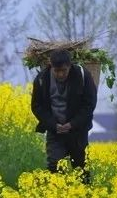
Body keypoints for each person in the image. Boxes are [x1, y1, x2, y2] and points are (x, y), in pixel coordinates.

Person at [30, 49, 97, 183]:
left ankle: (83, 197)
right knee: (54, 166)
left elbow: (89, 104)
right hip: (55, 131)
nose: (60, 74)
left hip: (78, 131)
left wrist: (72, 124)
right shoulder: (42, 79)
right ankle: (57, 197)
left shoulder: (82, 76)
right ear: (51, 66)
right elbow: (37, 106)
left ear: (70, 66)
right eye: (57, 71)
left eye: (64, 70)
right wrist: (52, 124)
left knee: (81, 167)